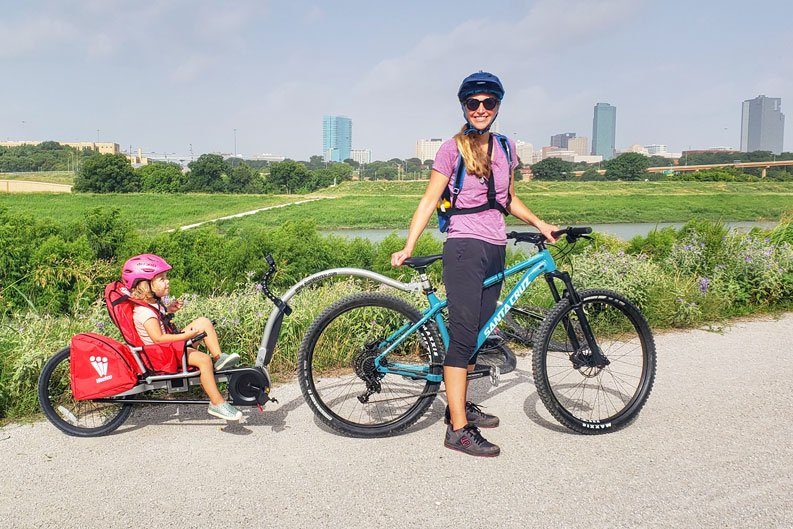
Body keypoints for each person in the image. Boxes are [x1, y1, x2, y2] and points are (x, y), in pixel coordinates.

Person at [391, 71, 558, 457]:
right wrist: (408, 245)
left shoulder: (506, 147)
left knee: (477, 334)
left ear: (498, 106)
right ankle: (457, 430)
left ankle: (458, 405)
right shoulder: (452, 150)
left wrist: (540, 223)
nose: (481, 109)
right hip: (464, 246)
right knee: (465, 335)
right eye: (473, 103)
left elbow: (507, 200)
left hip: (496, 245)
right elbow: (429, 199)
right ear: (464, 108)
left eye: (488, 103)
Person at [121, 254, 243, 421]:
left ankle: (219, 358)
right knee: (203, 360)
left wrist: (168, 310)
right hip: (162, 356)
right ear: (145, 286)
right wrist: (186, 336)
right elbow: (158, 338)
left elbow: (160, 323)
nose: (167, 281)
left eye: (166, 278)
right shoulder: (144, 312)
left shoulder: (151, 305)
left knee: (203, 322)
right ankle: (217, 403)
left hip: (167, 349)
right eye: (161, 279)